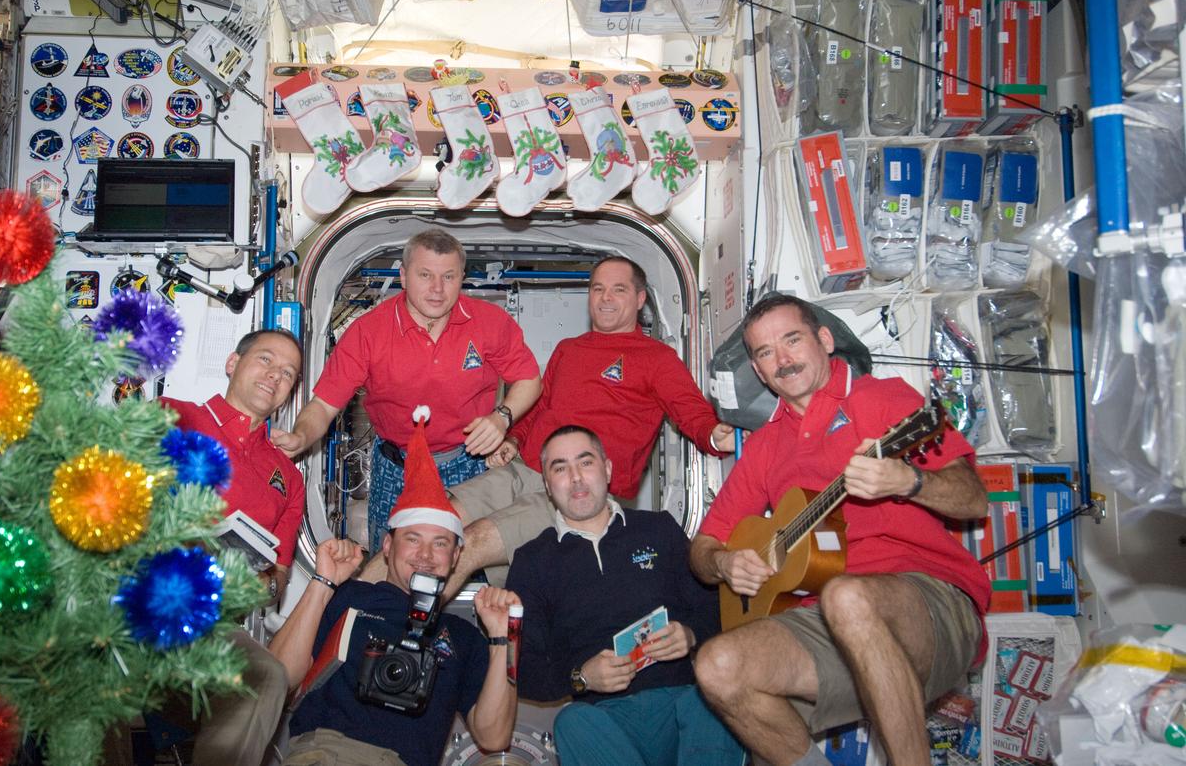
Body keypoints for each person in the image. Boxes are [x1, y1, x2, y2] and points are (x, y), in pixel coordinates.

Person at [687, 294, 991, 766]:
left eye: (792, 340)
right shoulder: (766, 445)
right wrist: (724, 563)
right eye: (766, 353)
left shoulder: (884, 399)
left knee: (848, 596)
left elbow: (973, 498)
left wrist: (909, 480)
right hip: (825, 621)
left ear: (824, 340)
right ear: (759, 371)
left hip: (929, 603)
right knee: (716, 665)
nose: (783, 360)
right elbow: (703, 546)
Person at [362, 255, 733, 589]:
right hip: (524, 470)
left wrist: (715, 436)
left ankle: (404, 643)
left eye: (618, 290)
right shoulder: (568, 350)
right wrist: (513, 440)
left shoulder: (657, 358)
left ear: (639, 300)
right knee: (425, 525)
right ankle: (347, 616)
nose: (605, 298)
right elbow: (539, 408)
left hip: (579, 492)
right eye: (597, 288)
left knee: (470, 542)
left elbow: (692, 412)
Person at [269, 409, 521, 766]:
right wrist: (322, 583)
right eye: (413, 539)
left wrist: (503, 639)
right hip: (325, 753)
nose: (425, 555)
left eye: (440, 543)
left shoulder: (464, 636)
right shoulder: (350, 599)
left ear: (456, 555)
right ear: (387, 547)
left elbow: (494, 736)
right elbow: (277, 678)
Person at [272, 227, 542, 552]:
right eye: (425, 275)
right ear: (403, 275)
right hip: (396, 468)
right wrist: (300, 437)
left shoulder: (489, 323)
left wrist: (501, 418)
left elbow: (529, 379)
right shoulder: (368, 333)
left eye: (449, 277)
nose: (437, 289)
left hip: (467, 464)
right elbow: (324, 406)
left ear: (462, 278)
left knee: (468, 560)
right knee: (388, 567)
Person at [506, 425, 743, 766]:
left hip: (682, 702)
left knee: (714, 697)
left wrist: (690, 635)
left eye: (585, 463)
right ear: (547, 484)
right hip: (602, 718)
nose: (575, 477)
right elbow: (523, 670)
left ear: (607, 469)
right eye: (560, 467)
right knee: (571, 722)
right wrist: (582, 676)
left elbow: (717, 611)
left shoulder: (659, 529)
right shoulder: (532, 561)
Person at [158, 328, 306, 766]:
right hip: (136, 597)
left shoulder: (288, 477)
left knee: (268, 676)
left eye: (288, 373)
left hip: (213, 625)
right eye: (265, 360)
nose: (275, 376)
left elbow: (278, 579)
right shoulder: (172, 416)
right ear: (232, 364)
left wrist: (255, 582)